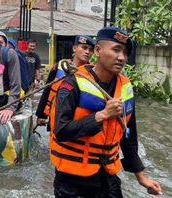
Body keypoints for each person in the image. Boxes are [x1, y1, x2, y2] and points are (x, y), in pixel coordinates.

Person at [49, 27, 162, 197]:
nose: (122, 57)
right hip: (72, 181)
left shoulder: (125, 88)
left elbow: (129, 137)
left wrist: (141, 177)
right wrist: (101, 115)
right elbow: (61, 130)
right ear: (98, 50)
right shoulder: (71, 84)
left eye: (125, 52)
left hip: (107, 177)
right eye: (116, 50)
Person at [36, 35, 95, 127]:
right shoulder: (60, 66)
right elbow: (47, 90)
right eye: (84, 48)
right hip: (56, 113)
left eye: (91, 50)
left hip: (78, 121)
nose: (87, 52)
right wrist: (41, 115)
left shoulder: (92, 72)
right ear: (74, 48)